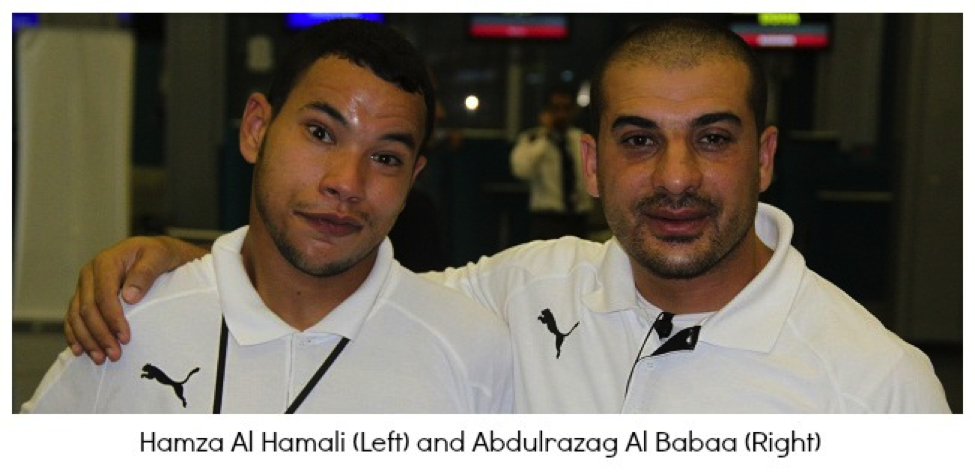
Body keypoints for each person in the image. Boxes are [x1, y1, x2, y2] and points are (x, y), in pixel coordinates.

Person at [61, 17, 950, 413]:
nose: (675, 178)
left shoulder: (876, 385)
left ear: (764, 156)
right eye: (639, 141)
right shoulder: (525, 293)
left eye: (712, 139)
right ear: (593, 163)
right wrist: (184, 261)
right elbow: (338, 280)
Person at [23, 19, 512, 414]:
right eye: (320, 133)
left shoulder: (468, 349)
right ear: (257, 129)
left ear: (412, 179)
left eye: (386, 158)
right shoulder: (128, 326)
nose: (346, 182)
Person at [510, 84, 594, 240]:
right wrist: (546, 135)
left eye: (566, 108)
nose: (561, 114)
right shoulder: (533, 138)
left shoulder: (580, 139)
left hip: (579, 217)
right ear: (546, 111)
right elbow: (521, 170)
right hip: (548, 218)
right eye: (556, 108)